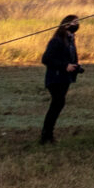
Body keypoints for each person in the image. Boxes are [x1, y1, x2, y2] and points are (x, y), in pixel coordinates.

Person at [37, 16, 81, 144]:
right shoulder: (57, 40)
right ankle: (46, 135)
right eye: (75, 22)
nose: (77, 25)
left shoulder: (70, 40)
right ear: (66, 25)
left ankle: (48, 134)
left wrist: (75, 66)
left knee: (58, 104)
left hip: (65, 78)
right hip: (55, 78)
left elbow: (69, 58)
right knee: (57, 103)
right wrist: (64, 66)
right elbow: (46, 59)